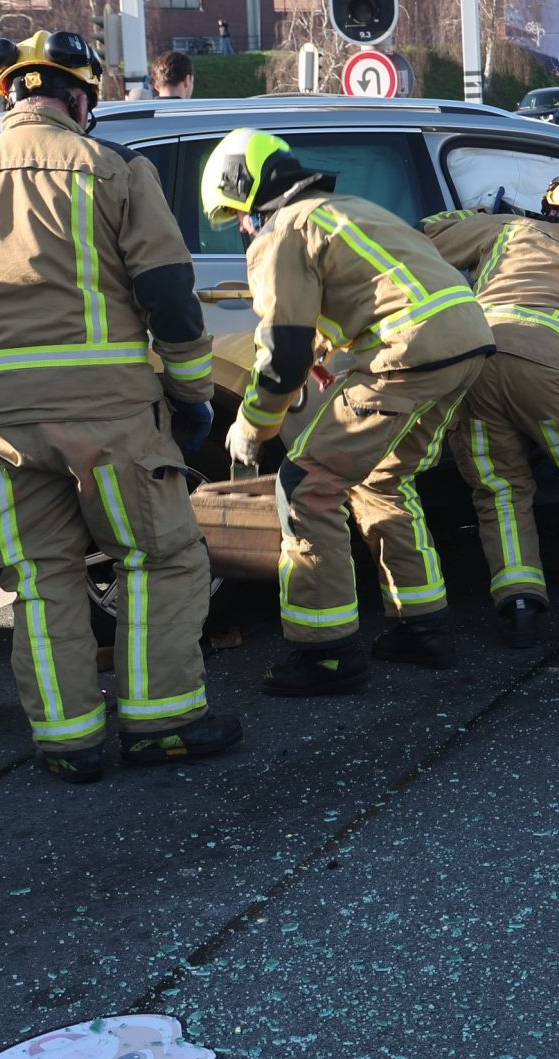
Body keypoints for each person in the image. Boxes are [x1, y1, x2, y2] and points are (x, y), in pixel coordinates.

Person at [0, 29, 234, 783]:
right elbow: (169, 299)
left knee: (41, 577)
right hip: (110, 414)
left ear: (10, 94)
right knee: (159, 559)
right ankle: (163, 722)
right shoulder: (112, 169)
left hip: (0, 423)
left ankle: (68, 740)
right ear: (81, 98)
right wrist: (190, 397)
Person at [203, 128, 493, 691]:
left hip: (408, 353)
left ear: (251, 192)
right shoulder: (344, 209)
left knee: (307, 483)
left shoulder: (281, 231)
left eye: (237, 214)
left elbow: (283, 351)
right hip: (464, 341)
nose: (241, 228)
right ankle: (423, 630)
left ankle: (326, 655)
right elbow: (348, 306)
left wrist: (252, 424)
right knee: (382, 481)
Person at [423, 175, 559, 647]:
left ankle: (519, 603)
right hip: (547, 369)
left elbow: (431, 235)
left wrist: (476, 215)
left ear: (550, 209)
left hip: (474, 361)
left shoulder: (508, 230)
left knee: (499, 489)